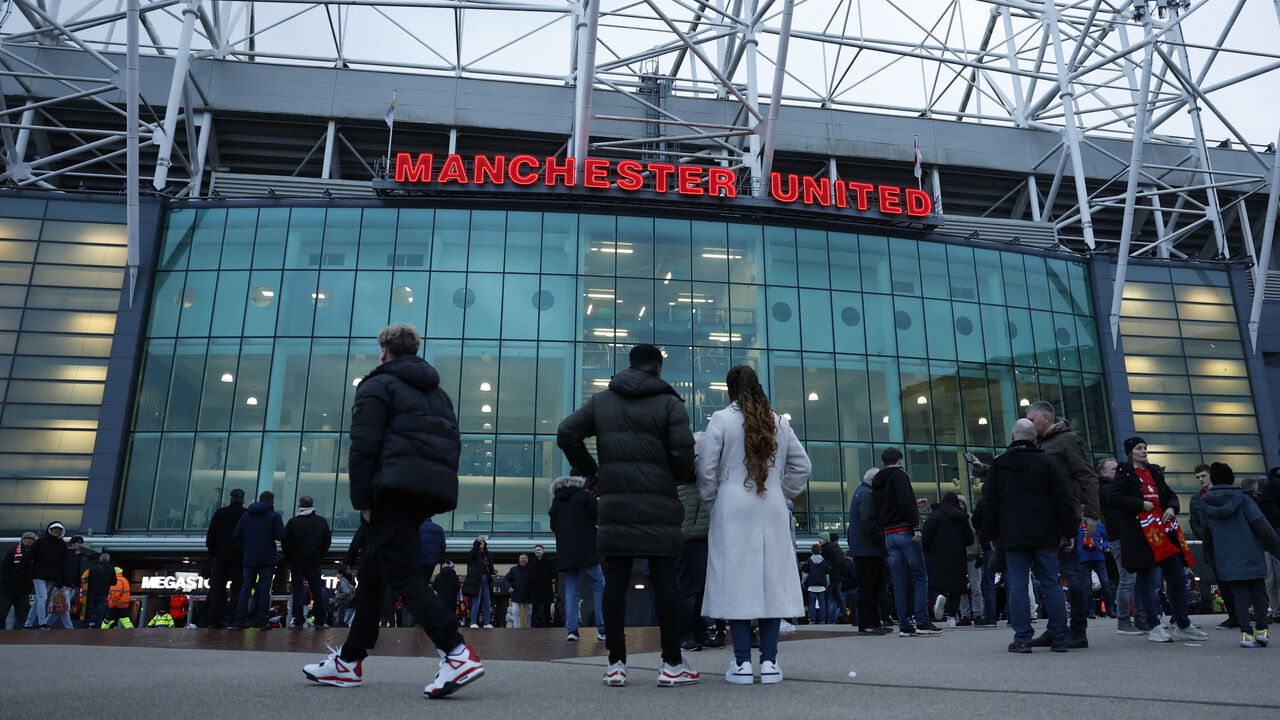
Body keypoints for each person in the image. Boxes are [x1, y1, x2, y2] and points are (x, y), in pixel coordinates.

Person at [303, 324, 483, 699]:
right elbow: (451, 444)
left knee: (401, 574)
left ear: (384, 351)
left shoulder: (376, 386)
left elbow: (363, 447)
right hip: (425, 494)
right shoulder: (440, 395)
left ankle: (455, 651)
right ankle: (349, 662)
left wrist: (363, 503)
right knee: (372, 575)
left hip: (390, 491)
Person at [557, 343, 699, 687]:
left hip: (615, 504)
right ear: (658, 369)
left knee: (615, 584)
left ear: (629, 365)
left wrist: (593, 472)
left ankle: (616, 664)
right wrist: (675, 476)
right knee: (665, 582)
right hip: (660, 504)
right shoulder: (670, 404)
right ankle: (671, 664)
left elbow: (566, 433)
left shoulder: (602, 401)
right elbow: (682, 451)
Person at [697, 364, 809, 685]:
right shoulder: (779, 421)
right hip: (771, 507)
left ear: (730, 388)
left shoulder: (721, 419)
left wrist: (712, 502)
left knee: (736, 582)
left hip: (731, 506)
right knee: (772, 582)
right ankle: (770, 663)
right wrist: (780, 493)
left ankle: (743, 663)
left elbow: (706, 470)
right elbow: (802, 466)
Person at [982, 419, 1076, 653]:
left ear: (1013, 437)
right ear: (1035, 438)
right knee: (1051, 583)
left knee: (1017, 585)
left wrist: (992, 533)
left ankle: (1022, 638)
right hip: (1046, 533)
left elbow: (990, 502)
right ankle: (1059, 636)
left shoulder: (1000, 464)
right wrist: (1068, 531)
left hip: (1013, 534)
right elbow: (1062, 499)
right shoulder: (1046, 462)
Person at [1101, 437, 1207, 643]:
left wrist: (1171, 508)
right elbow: (1113, 498)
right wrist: (1141, 504)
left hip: (1164, 534)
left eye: (1145, 448)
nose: (1144, 451)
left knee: (1177, 577)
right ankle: (1154, 626)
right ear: (1130, 452)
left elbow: (1170, 494)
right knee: (1150, 583)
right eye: (1139, 448)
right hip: (1143, 536)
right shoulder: (1125, 472)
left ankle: (1182, 624)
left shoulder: (1154, 471)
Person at [1200, 462, 1280, 648]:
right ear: (1231, 478)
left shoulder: (1206, 503)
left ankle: (1246, 634)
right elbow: (1261, 526)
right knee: (1258, 592)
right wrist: (1276, 548)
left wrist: (1210, 558)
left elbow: (1206, 535)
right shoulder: (1243, 499)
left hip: (1226, 556)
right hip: (1251, 552)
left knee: (1239, 595)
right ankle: (1262, 630)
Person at [873, 448, 942, 636]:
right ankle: (922, 621)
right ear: (900, 460)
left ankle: (904, 624)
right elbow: (903, 500)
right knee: (920, 576)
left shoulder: (878, 479)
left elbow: (892, 503)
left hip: (889, 533)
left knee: (899, 580)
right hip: (905, 531)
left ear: (883, 461)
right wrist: (915, 526)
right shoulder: (900, 475)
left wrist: (914, 503)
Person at [549, 475, 606, 642]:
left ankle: (572, 630)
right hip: (586, 548)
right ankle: (602, 629)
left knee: (571, 589)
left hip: (566, 551)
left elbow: (553, 526)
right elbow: (598, 517)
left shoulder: (557, 501)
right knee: (599, 584)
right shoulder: (584, 496)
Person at [1188, 464, 1237, 628]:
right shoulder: (1196, 499)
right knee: (1221, 581)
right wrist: (1207, 536)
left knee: (1236, 580)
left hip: (1228, 543)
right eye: (1198, 477)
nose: (1201, 480)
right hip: (1211, 546)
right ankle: (1233, 615)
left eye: (1203, 476)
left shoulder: (1223, 493)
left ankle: (1240, 613)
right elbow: (1194, 523)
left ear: (1211, 476)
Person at [1097, 458, 1143, 634]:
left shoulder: (1111, 488)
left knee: (1135, 580)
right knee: (1127, 580)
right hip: (1119, 538)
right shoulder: (1106, 489)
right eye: (1115, 469)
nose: (1119, 472)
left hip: (1127, 537)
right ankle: (1124, 621)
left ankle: (1138, 618)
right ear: (1104, 473)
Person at [677, 431, 712, 650]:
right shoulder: (686, 465)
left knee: (701, 588)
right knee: (690, 586)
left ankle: (698, 632)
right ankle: (685, 634)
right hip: (691, 532)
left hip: (702, 531)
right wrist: (698, 452)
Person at [233, 491, 285, 629]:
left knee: (245, 589)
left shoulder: (247, 515)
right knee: (264, 590)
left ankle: (240, 621)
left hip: (249, 558)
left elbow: (236, 535)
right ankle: (263, 621)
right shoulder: (274, 516)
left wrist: (244, 550)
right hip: (267, 559)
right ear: (272, 501)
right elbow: (280, 535)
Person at [923, 492, 974, 627]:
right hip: (957, 558)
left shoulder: (936, 515)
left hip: (936, 558)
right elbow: (969, 539)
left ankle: (937, 599)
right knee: (956, 589)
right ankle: (952, 618)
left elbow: (926, 536)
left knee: (935, 586)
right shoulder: (962, 518)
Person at [848, 468, 889, 636]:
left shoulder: (862, 492)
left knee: (871, 586)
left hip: (865, 549)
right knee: (869, 587)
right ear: (875, 480)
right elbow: (868, 522)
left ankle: (871, 622)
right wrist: (882, 539)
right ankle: (867, 623)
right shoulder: (867, 494)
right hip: (869, 549)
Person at [284, 496, 332, 629]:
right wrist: (320, 554)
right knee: (317, 591)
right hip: (314, 561)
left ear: (299, 506)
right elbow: (327, 540)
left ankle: (298, 621)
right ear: (312, 506)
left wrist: (290, 556)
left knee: (298, 592)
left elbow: (285, 542)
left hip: (297, 561)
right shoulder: (321, 521)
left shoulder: (293, 522)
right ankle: (320, 621)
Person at [204, 488, 247, 628]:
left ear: (230, 497)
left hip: (220, 557)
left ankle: (214, 619)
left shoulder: (220, 513)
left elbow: (210, 538)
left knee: (217, 588)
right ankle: (232, 617)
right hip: (238, 558)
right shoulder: (245, 514)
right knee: (237, 588)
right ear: (242, 499)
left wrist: (214, 553)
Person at [24, 521, 68, 629]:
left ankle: (28, 624)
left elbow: (64, 563)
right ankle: (42, 623)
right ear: (50, 529)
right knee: (43, 597)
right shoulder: (40, 542)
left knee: (38, 600)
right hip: (38, 574)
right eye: (55, 529)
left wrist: (60, 578)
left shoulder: (62, 545)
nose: (57, 531)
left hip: (50, 576)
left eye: (59, 530)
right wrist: (29, 571)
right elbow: (28, 556)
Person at [967, 495, 999, 629]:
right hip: (1009, 542)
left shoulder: (985, 502)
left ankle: (991, 617)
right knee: (1013, 582)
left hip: (990, 543)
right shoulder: (1007, 498)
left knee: (989, 583)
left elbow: (975, 520)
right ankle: (1017, 616)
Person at [1076, 514, 1113, 619]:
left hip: (1098, 557)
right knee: (1087, 587)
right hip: (1083, 558)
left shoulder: (1099, 525)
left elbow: (1107, 539)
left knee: (1105, 584)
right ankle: (1091, 611)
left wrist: (1102, 546)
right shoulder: (1077, 526)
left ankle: (1110, 610)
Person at [0, 532, 35, 629]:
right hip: (9, 589)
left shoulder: (34, 555)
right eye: (27, 538)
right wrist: (7, 582)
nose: (29, 540)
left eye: (32, 539)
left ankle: (21, 638)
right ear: (22, 540)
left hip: (23, 591)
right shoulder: (12, 552)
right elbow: (4, 568)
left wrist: (29, 584)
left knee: (22, 615)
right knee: (2, 613)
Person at [463, 537, 495, 629]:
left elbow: (489, 566)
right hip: (477, 581)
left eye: (483, 543)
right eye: (480, 543)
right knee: (476, 602)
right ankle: (473, 622)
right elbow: (472, 552)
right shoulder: (473, 554)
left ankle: (486, 623)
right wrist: (477, 542)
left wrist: (492, 572)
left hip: (486, 581)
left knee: (487, 603)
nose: (482, 544)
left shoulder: (487, 554)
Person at [81, 552, 115, 629]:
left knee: (88, 613)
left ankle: (84, 629)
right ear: (108, 560)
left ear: (100, 559)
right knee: (100, 614)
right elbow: (114, 582)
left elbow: (86, 580)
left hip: (91, 594)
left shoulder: (92, 568)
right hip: (103, 594)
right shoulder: (111, 569)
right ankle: (97, 630)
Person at [801, 544, 829, 624]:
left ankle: (812, 620)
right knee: (822, 604)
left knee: (812, 604)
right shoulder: (824, 561)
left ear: (811, 551)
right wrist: (827, 584)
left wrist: (803, 582)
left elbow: (806, 574)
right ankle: (822, 620)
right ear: (820, 551)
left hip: (811, 586)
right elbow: (827, 575)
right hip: (821, 586)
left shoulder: (809, 561)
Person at [504, 554, 534, 628]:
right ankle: (517, 630)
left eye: (524, 558)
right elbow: (506, 579)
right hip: (516, 595)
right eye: (521, 558)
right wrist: (509, 587)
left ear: (527, 560)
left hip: (528, 595)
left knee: (529, 615)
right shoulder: (513, 569)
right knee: (515, 613)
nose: (522, 560)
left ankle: (528, 629)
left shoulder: (532, 569)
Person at [529, 545, 555, 627]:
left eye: (538, 550)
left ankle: (548, 625)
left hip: (546, 588)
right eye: (536, 550)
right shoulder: (533, 561)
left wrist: (545, 577)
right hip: (536, 589)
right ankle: (533, 625)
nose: (537, 551)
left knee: (547, 607)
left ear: (543, 551)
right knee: (534, 608)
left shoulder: (549, 561)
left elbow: (554, 573)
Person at [418, 519, 446, 585]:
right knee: (425, 582)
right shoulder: (439, 528)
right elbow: (443, 547)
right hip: (431, 561)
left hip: (418, 560)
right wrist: (436, 557)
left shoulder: (416, 527)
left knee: (417, 582)